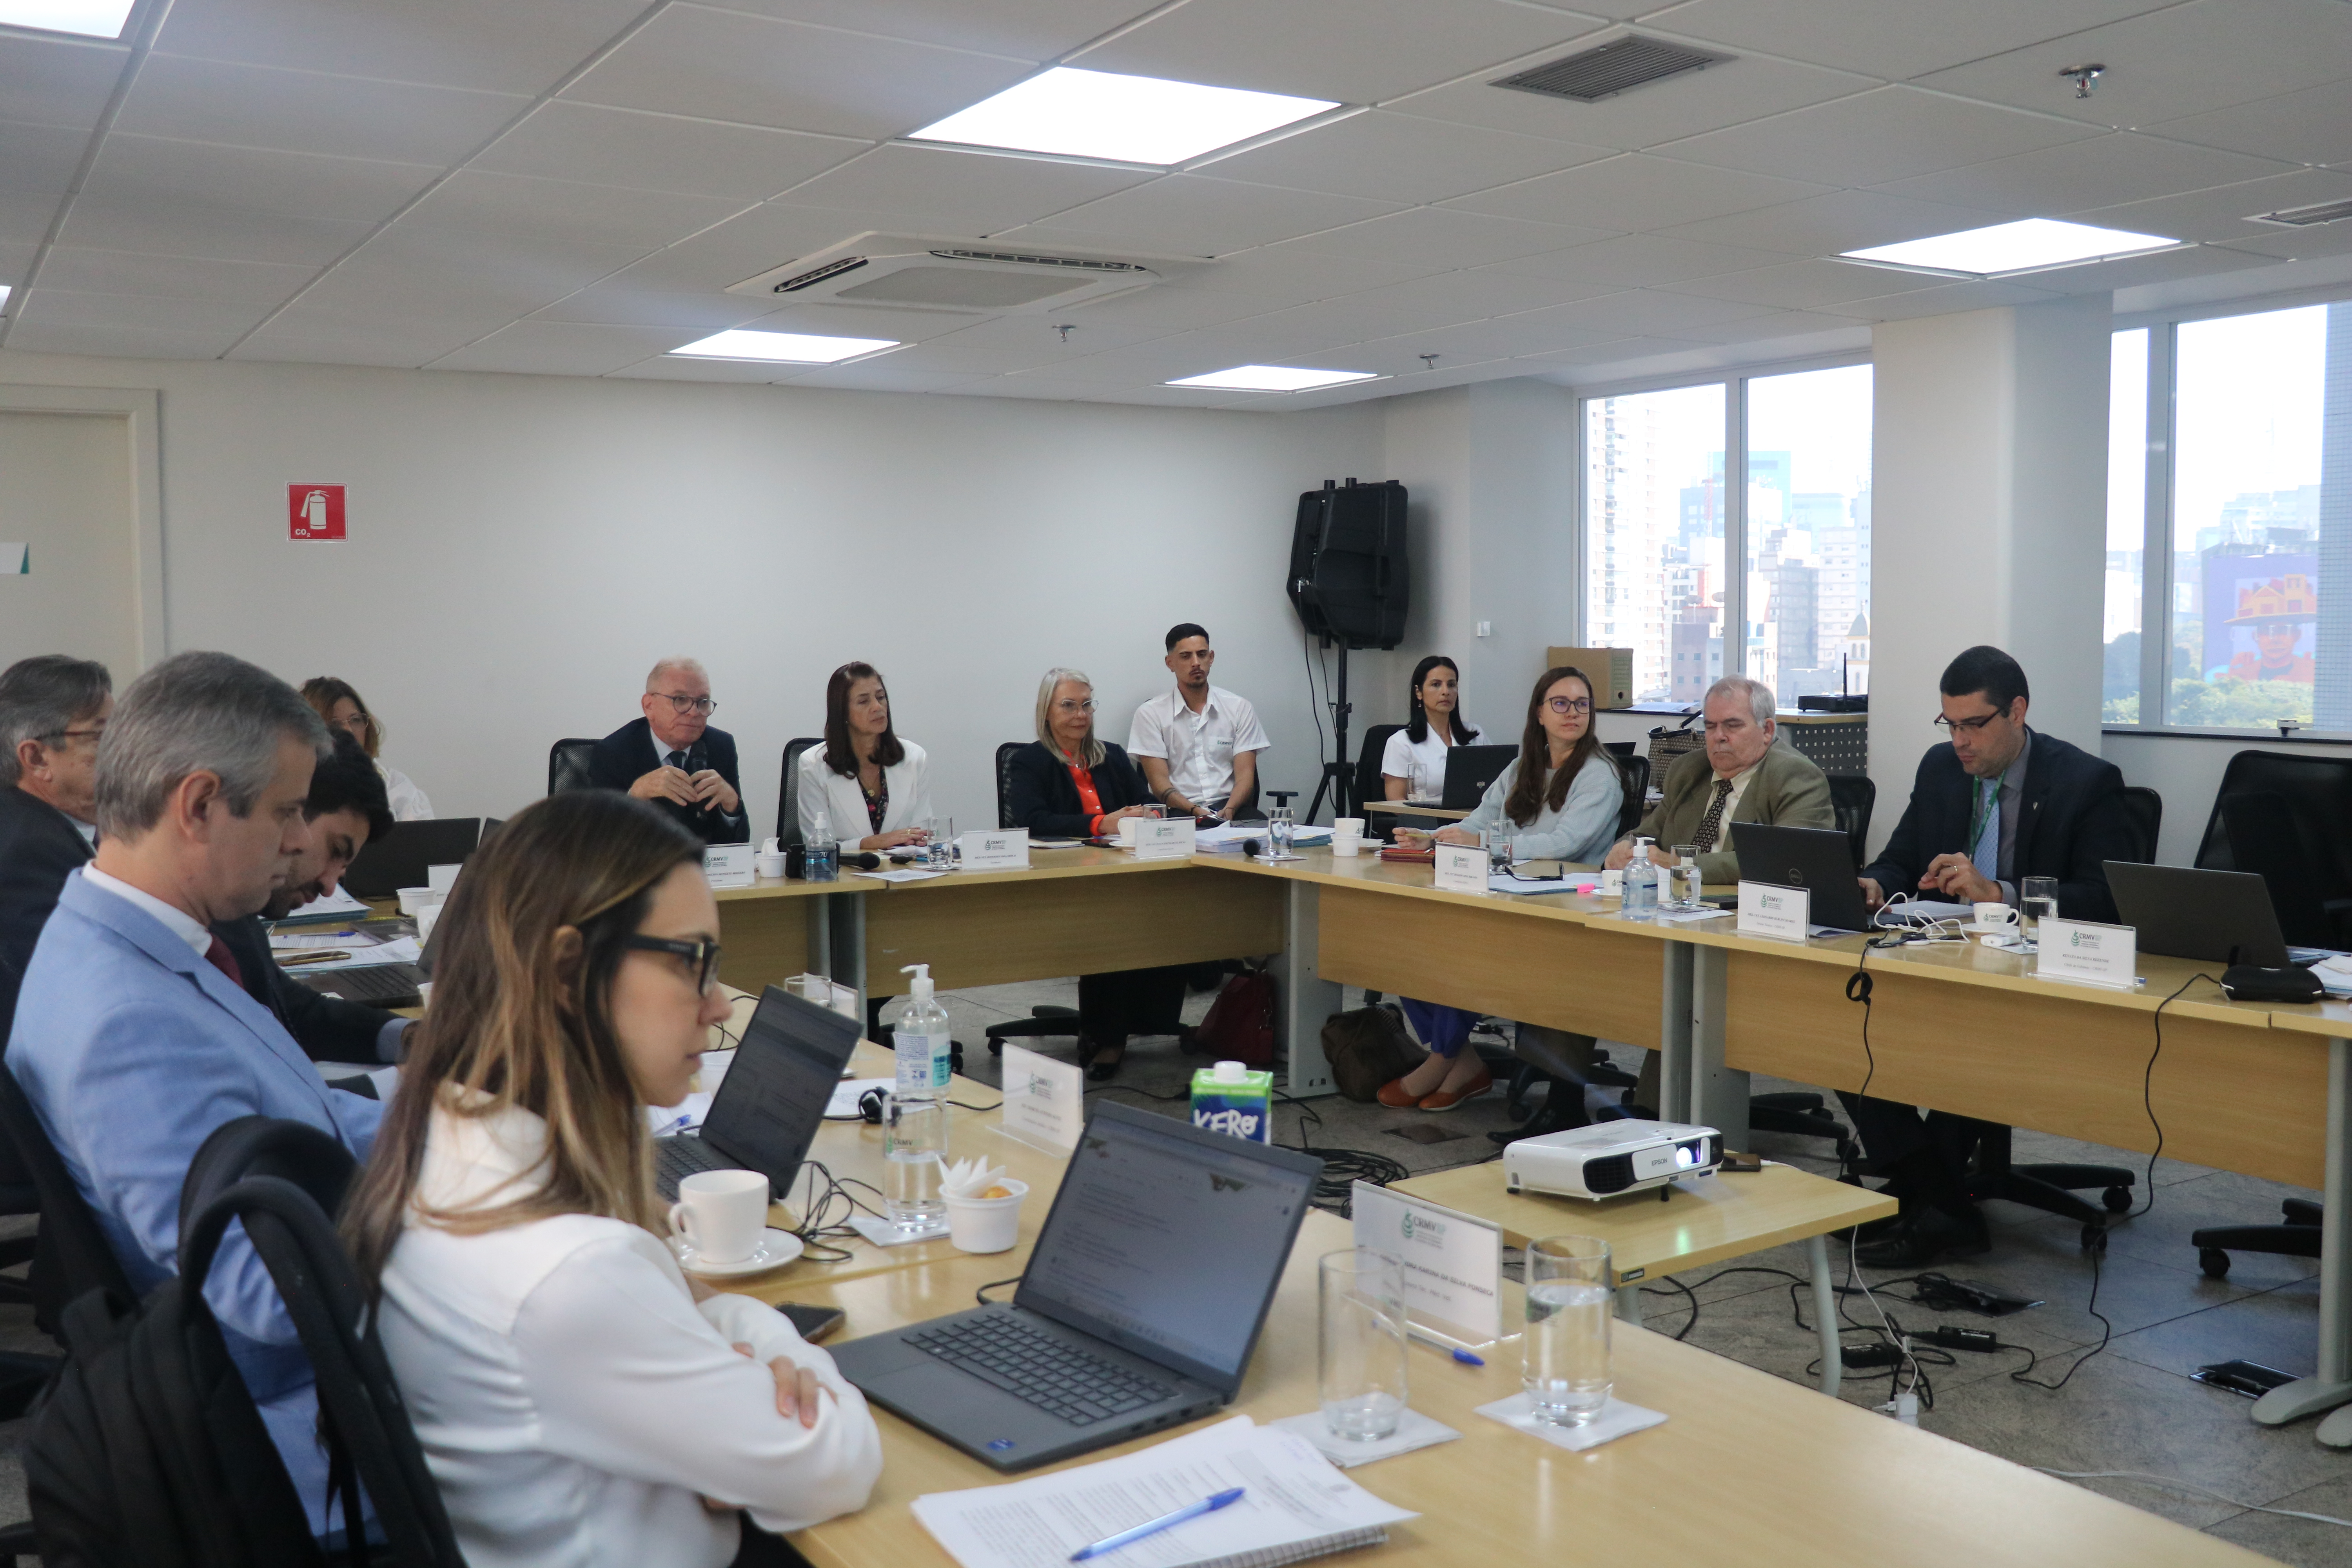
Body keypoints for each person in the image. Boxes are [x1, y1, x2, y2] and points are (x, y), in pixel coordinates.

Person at [343, 791, 881, 1567]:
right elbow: (836, 1459)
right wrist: (769, 1335)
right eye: (691, 960)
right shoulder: (572, 1272)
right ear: (567, 969)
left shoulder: (448, 1134)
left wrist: (715, 1337)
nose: (720, 1003)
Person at [9, 652, 383, 1538]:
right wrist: (467, 1207)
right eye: (288, 810)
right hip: (305, 1413)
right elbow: (268, 1292)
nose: (298, 840)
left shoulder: (139, 939)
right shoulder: (124, 1018)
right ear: (201, 802)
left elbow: (300, 1119)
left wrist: (450, 1112)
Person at [1845, 644, 2136, 1267]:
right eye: (1950, 725)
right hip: (1946, 959)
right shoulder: (1940, 769)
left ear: (2018, 712)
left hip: (2039, 978)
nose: (1960, 741)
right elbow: (1900, 858)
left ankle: (1930, 1204)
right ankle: (1938, 1198)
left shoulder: (2086, 782)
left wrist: (1999, 894)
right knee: (1842, 1026)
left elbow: (2109, 900)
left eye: (1974, 725)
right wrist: (1872, 882)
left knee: (1970, 1037)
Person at [1383, 667, 1632, 1114]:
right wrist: (1437, 838)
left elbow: (1564, 843)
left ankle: (1444, 1059)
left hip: (1564, 899)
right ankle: (1461, 1060)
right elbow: (1480, 820)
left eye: (1581, 704)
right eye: (1560, 703)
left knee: (1467, 943)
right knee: (1411, 937)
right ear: (1539, 712)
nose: (1572, 712)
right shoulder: (1524, 766)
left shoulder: (1600, 774)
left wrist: (1483, 843)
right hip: (1508, 887)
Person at [1007, 668, 1190, 1080]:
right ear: (1047, 711)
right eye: (1069, 706)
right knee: (1113, 921)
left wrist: (1145, 814)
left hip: (1122, 868)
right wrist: (1099, 823)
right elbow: (1032, 820)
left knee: (1173, 908)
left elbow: (1144, 801)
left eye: (1087, 705)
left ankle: (1145, 1021)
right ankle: (1108, 1037)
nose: (1080, 715)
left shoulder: (1111, 755)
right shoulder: (1030, 761)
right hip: (1063, 878)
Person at [212, 730, 413, 1067]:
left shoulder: (234, 915)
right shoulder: (191, 930)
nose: (330, 886)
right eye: (335, 851)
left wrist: (412, 1039)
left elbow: (291, 1010)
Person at [1605, 675, 1836, 886]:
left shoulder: (1795, 776)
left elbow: (1786, 862)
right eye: (1710, 726)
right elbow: (1647, 834)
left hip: (1752, 913)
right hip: (1677, 905)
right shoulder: (1688, 770)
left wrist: (1678, 864)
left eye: (1732, 726)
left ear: (1767, 730)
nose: (1719, 737)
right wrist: (1624, 848)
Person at [0, 655, 111, 1040]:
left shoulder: (44, 827)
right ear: (38, 757)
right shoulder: (26, 851)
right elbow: (85, 992)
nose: (124, 753)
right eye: (100, 736)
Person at [587, 657, 748, 846]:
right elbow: (596, 844)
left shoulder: (721, 746)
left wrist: (731, 806)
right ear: (649, 706)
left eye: (703, 702)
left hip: (701, 871)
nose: (694, 712)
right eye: (681, 700)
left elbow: (737, 847)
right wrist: (633, 797)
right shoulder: (613, 753)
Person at [1128, 624, 1269, 823]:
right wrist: (1196, 811)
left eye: (1202, 655)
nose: (1196, 663)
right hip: (1179, 810)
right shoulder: (1151, 714)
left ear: (1211, 658)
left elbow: (1246, 779)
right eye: (1186, 656)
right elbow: (1160, 785)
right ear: (1170, 663)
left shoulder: (1239, 708)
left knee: (1265, 836)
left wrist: (1228, 811)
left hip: (1231, 808)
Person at [797, 662, 934, 850]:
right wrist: (871, 843)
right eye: (864, 701)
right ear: (842, 712)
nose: (878, 707)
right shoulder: (813, 764)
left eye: (881, 697)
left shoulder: (915, 757)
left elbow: (922, 835)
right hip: (843, 875)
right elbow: (818, 846)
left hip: (904, 871)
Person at [302, 675, 435, 820]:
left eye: (356, 720)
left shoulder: (397, 788)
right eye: (334, 724)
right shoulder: (293, 789)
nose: (349, 731)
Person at [1381, 655, 1479, 803]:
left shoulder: (1476, 734)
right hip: (1426, 822)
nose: (1446, 692)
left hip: (1473, 820)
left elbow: (1496, 788)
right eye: (1436, 685)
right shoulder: (1401, 742)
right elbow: (1395, 801)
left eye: (1452, 685)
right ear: (1419, 692)